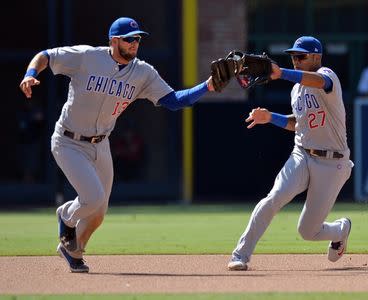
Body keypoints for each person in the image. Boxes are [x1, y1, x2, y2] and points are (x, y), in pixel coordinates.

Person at [19, 17, 218, 273]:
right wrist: (30, 74)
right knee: (92, 198)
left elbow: (174, 100)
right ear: (114, 41)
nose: (135, 43)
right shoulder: (87, 57)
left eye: (138, 39)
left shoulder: (143, 72)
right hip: (68, 141)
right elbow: (45, 55)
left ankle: (73, 250)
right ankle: (65, 216)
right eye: (129, 39)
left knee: (99, 212)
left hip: (101, 144)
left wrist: (207, 86)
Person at [227, 36, 354, 271]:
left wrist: (281, 72)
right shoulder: (296, 90)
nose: (295, 60)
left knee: (307, 231)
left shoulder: (327, 76)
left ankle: (340, 229)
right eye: (293, 56)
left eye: (301, 56)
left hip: (332, 163)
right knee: (274, 198)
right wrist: (270, 118)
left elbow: (318, 81)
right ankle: (241, 254)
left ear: (316, 57)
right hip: (302, 154)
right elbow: (299, 123)